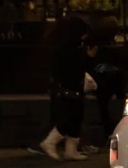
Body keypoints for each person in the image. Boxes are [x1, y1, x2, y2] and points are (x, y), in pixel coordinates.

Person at [39, 17, 91, 160]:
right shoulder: (69, 47)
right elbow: (72, 67)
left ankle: (70, 151)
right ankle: (50, 142)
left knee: (75, 118)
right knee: (70, 117)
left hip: (68, 87)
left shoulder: (64, 44)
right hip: (69, 87)